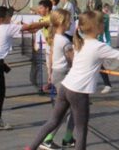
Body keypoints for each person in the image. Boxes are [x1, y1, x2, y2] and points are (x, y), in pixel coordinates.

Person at [27, 11, 119, 150]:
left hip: (65, 87)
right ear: (97, 27)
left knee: (53, 121)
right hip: (78, 92)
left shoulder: (80, 42)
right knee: (81, 129)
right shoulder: (99, 46)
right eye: (102, 23)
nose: (104, 25)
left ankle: (30, 148)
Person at [0, 6, 51, 130]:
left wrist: (38, 26)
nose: (10, 17)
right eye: (8, 15)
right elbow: (29, 27)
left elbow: (29, 30)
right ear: (1, 19)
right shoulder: (6, 27)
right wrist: (48, 22)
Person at [41, 9, 75, 148]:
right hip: (64, 75)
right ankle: (48, 139)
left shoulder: (56, 37)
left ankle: (68, 137)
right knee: (65, 109)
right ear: (62, 22)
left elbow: (52, 57)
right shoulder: (64, 40)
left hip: (58, 73)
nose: (71, 22)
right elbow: (73, 60)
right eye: (69, 20)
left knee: (72, 107)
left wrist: (50, 74)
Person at [87, 0, 113, 94]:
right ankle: (89, 85)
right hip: (87, 43)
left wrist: (108, 43)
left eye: (92, 2)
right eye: (89, 2)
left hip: (98, 43)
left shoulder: (105, 16)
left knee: (100, 65)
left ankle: (107, 84)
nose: (90, 4)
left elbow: (106, 31)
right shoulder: (87, 15)